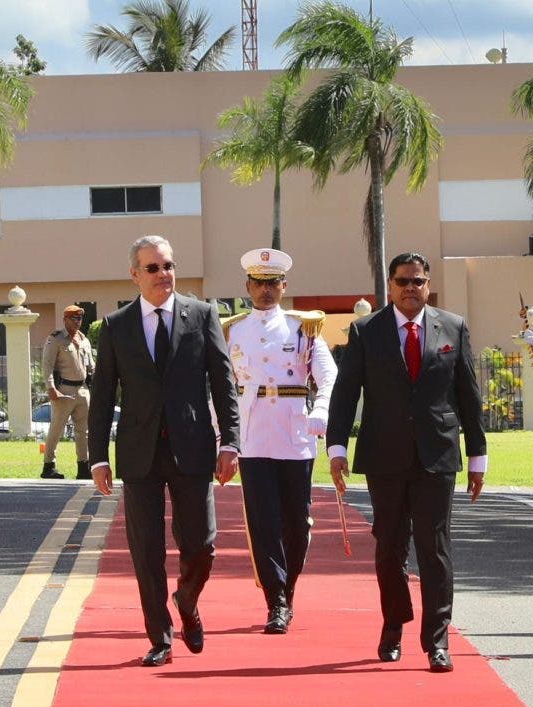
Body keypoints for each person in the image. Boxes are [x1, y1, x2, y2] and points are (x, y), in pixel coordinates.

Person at [327, 252, 488, 671]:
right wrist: (337, 448)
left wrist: (478, 456)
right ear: (390, 285)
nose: (410, 288)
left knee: (435, 549)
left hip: (437, 455)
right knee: (389, 549)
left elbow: (469, 396)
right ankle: (393, 625)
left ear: (428, 284)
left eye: (417, 281)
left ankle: (437, 641)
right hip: (385, 456)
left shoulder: (452, 326)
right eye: (402, 281)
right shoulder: (366, 331)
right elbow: (345, 394)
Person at [88, 234, 241, 667]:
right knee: (146, 550)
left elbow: (223, 383)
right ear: (134, 274)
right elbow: (102, 396)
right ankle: (160, 636)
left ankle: (187, 601)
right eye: (153, 268)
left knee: (201, 545)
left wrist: (230, 441)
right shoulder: (117, 326)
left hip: (193, 449)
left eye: (169, 266)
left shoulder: (202, 315)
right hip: (139, 454)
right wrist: (98, 455)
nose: (163, 275)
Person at [228, 248, 336, 633]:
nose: (266, 290)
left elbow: (327, 374)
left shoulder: (302, 327)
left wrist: (321, 409)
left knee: (296, 522)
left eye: (273, 282)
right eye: (259, 282)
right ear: (248, 286)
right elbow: (220, 387)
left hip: (294, 432)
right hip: (253, 432)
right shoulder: (233, 330)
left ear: (283, 285)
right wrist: (221, 437)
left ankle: (288, 589)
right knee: (263, 521)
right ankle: (276, 599)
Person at [38, 305, 94, 480]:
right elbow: (46, 366)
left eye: (79, 319)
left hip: (83, 390)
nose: (77, 322)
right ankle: (49, 466)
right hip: (64, 390)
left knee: (83, 431)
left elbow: (91, 366)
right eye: (73, 319)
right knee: (57, 429)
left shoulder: (84, 340)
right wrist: (51, 388)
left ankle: (83, 467)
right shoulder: (56, 339)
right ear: (65, 320)